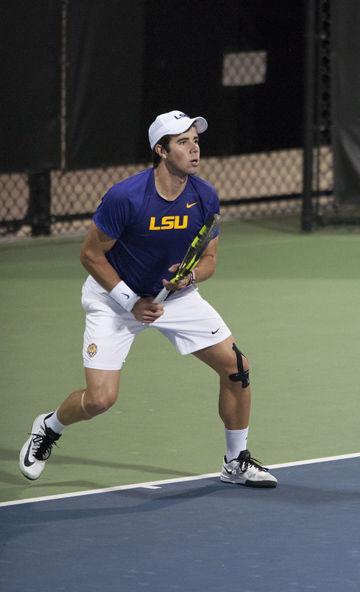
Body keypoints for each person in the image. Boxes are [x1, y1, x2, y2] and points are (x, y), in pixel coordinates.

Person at [19, 110, 277, 488]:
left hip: (175, 298)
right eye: (183, 142)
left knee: (236, 367)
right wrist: (129, 302)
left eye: (196, 140)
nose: (195, 149)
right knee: (100, 399)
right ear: (160, 149)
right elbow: (91, 255)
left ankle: (235, 461)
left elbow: (209, 260)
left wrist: (189, 276)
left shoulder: (204, 196)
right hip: (114, 299)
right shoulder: (125, 197)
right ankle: (49, 426)